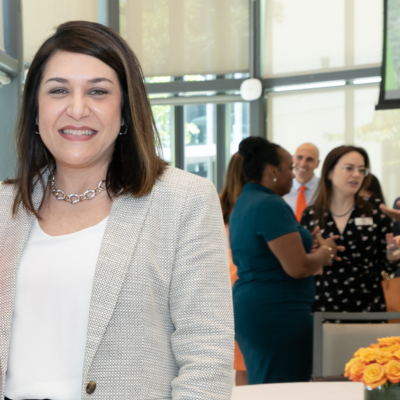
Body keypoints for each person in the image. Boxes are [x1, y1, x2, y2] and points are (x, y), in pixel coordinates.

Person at [0, 21, 234, 400]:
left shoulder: (183, 200)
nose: (77, 109)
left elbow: (206, 354)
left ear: (125, 110)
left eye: (98, 91)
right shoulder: (4, 207)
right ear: (35, 109)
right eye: (59, 90)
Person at [229, 137, 341, 385]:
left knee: (269, 385)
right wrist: (326, 252)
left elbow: (269, 253)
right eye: (289, 168)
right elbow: (298, 267)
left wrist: (305, 245)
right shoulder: (269, 204)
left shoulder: (248, 201)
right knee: (282, 387)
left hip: (261, 308)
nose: (293, 175)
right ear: (272, 171)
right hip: (276, 312)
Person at [301, 145, 400, 314]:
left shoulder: (375, 211)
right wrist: (315, 254)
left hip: (369, 305)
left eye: (362, 170)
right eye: (349, 168)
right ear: (330, 173)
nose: (356, 174)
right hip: (323, 304)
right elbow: (302, 265)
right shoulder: (312, 214)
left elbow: (387, 267)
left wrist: (392, 253)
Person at [219, 152, 247, 386]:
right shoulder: (257, 209)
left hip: (225, 291)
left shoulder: (219, 205)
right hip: (244, 291)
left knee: (241, 366)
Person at [284, 143, 320, 222]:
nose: (303, 164)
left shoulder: (325, 188)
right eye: (299, 157)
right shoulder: (281, 188)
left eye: (309, 159)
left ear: (317, 164)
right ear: (292, 159)